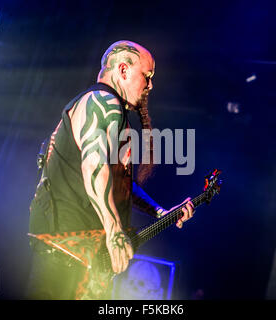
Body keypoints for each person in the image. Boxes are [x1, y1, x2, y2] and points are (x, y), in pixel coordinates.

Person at [26, 40, 195, 299]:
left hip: (82, 256)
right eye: (146, 76)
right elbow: (94, 165)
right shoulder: (103, 101)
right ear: (124, 70)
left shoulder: (112, 113)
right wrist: (115, 230)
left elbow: (117, 182)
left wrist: (160, 211)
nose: (150, 85)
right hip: (69, 252)